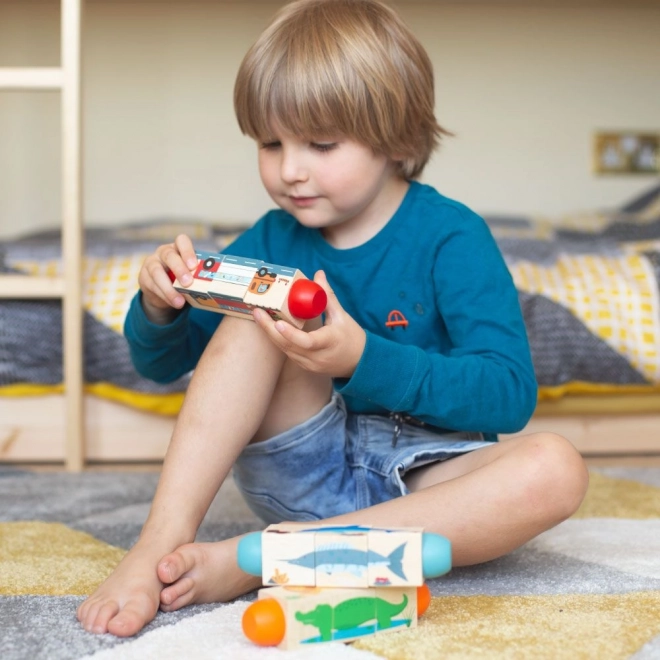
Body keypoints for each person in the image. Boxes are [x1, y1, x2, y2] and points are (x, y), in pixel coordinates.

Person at [77, 0, 589, 638]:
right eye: (271, 143)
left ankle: (272, 557)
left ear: (396, 138)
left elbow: (508, 395)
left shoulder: (452, 236)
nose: (290, 170)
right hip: (303, 467)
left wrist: (363, 360)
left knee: (556, 468)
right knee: (255, 318)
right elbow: (164, 366)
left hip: (427, 489)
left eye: (321, 144)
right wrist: (159, 308)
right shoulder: (271, 240)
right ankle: (160, 542)